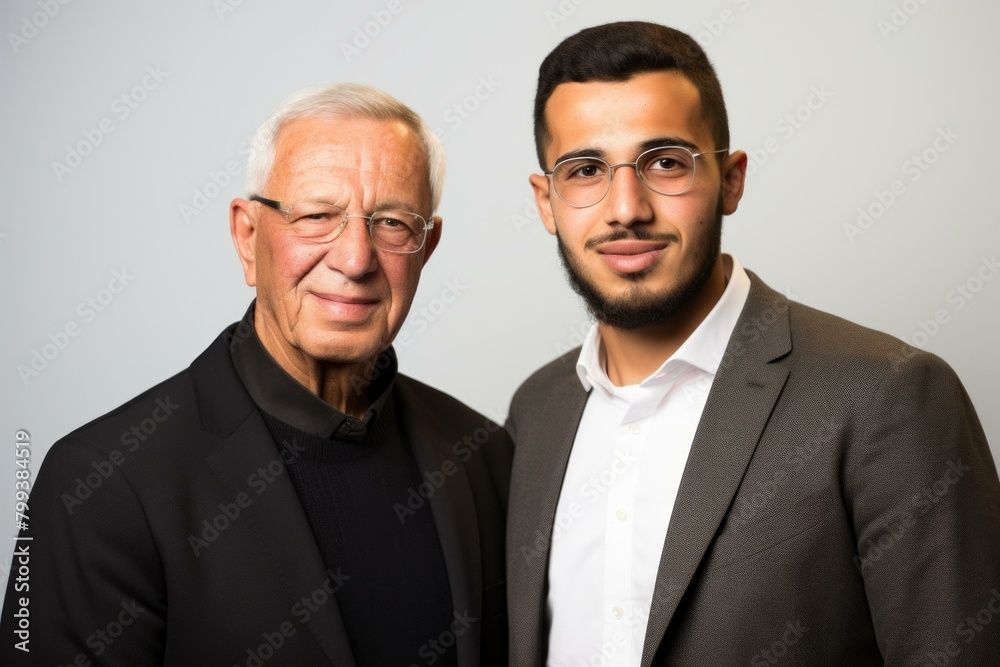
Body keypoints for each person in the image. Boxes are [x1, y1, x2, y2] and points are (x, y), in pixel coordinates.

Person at [506, 21, 1000, 666]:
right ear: (547, 201)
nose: (625, 207)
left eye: (664, 163)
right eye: (585, 170)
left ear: (731, 180)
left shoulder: (890, 394)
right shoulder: (534, 412)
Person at [1, 83, 510, 666]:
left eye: (392, 222)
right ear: (247, 236)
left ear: (427, 246)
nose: (356, 259)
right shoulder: (101, 484)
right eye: (318, 216)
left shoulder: (485, 456)